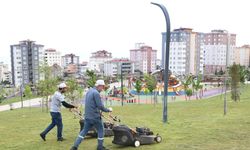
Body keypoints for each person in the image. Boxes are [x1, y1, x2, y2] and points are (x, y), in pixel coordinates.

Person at [70, 80, 112, 150]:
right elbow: (100, 106)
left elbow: (91, 104)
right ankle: (100, 147)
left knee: (84, 131)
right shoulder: (96, 93)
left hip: (87, 116)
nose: (102, 89)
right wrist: (108, 110)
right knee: (101, 130)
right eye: (102, 87)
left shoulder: (89, 91)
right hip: (95, 117)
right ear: (99, 86)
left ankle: (74, 147)